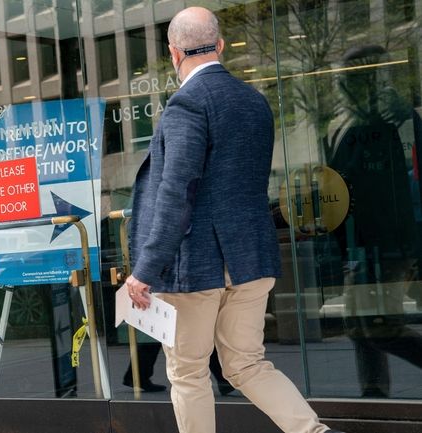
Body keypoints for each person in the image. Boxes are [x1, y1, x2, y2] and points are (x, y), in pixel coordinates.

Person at [122, 7, 343, 433]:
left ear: (173, 53)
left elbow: (176, 193)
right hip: (251, 258)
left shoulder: (186, 104)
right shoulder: (254, 102)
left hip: (199, 267)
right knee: (247, 364)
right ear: (220, 46)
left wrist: (144, 270)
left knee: (188, 372)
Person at [328, 44, 422, 397]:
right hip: (361, 244)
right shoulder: (351, 123)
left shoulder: (388, 120)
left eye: (345, 78)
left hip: (387, 243)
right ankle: (374, 394)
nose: (339, 85)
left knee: (381, 326)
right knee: (359, 325)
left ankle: (375, 395)